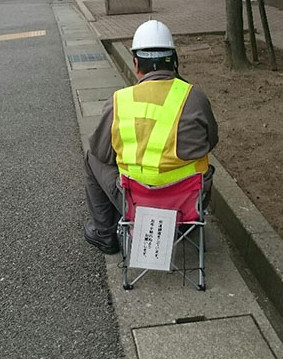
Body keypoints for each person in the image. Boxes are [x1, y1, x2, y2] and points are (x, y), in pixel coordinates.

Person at [84, 20, 218, 255]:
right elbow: (211, 141)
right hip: (189, 204)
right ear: (174, 61)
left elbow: (100, 151)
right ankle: (183, 227)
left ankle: (104, 234)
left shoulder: (120, 101)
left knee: (92, 159)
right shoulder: (195, 97)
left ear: (136, 63)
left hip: (137, 204)